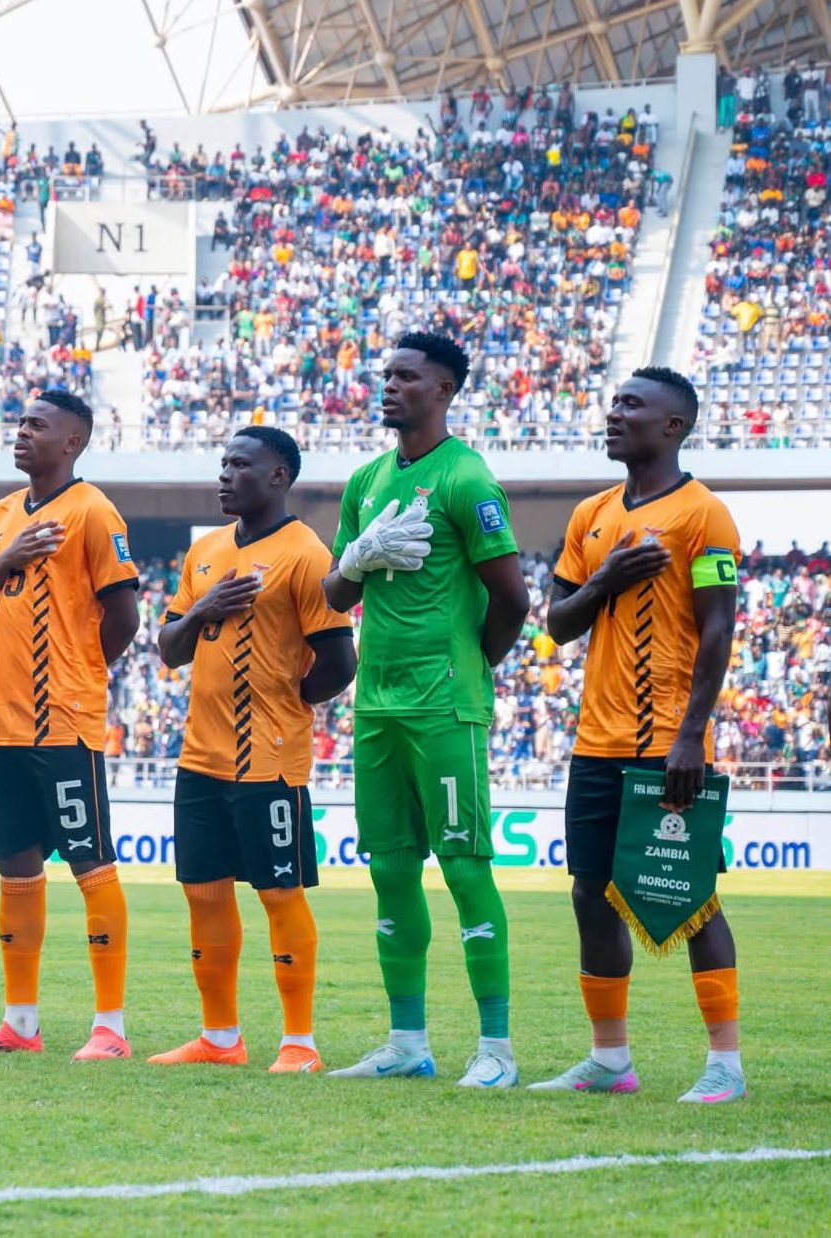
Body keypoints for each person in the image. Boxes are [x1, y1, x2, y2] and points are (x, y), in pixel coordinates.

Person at [531, 367, 746, 1103]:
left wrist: (692, 735)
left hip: (667, 746)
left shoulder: (702, 514)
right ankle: (609, 1060)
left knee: (691, 898)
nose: (613, 413)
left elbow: (718, 629)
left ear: (672, 427)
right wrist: (605, 581)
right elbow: (557, 626)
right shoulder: (590, 514)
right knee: (589, 894)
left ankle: (724, 1063)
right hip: (596, 743)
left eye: (631, 405)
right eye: (614, 402)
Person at [322, 332, 530, 1086]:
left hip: (443, 703)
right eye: (385, 375)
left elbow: (512, 598)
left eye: (406, 377)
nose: (388, 386)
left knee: (466, 869)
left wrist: (467, 671)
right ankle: (406, 1043)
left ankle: (496, 1051)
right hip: (375, 704)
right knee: (389, 871)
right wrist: (354, 558)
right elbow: (333, 595)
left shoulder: (466, 478)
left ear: (442, 390)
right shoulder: (365, 479)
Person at [152, 427, 355, 1072]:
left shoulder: (305, 555)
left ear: (277, 477)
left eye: (239, 465)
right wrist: (205, 608)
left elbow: (339, 662)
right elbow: (169, 646)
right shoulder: (207, 551)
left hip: (269, 759)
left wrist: (287, 704)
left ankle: (300, 1043)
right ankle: (219, 1039)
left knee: (278, 892)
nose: (224, 475)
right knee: (204, 893)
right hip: (200, 758)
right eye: (222, 463)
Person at [0, 389, 141, 1059]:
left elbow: (124, 617)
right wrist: (4, 561)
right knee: (15, 869)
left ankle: (109, 1028)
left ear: (72, 442)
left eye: (38, 425)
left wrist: (81, 674)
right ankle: (19, 1024)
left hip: (63, 721)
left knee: (91, 864)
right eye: (20, 422)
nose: (22, 432)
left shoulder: (92, 511)